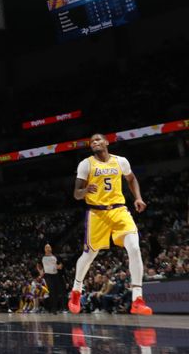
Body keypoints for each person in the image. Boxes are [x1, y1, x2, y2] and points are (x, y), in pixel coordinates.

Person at [67, 133, 152, 315]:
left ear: (106, 142)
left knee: (135, 248)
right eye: (91, 142)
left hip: (119, 210)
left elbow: (131, 179)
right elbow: (76, 193)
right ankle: (76, 290)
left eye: (98, 140)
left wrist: (138, 198)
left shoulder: (121, 161)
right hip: (97, 213)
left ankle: (137, 298)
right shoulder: (86, 164)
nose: (95, 143)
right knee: (89, 255)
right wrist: (85, 190)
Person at [38, 244, 65, 313]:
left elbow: (61, 264)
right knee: (52, 292)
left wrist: (59, 266)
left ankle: (61, 308)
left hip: (56, 275)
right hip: (47, 275)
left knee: (59, 292)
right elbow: (38, 265)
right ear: (44, 249)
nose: (47, 248)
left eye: (49, 247)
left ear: (51, 248)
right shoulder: (42, 257)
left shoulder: (55, 256)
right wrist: (40, 272)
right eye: (46, 247)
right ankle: (53, 308)